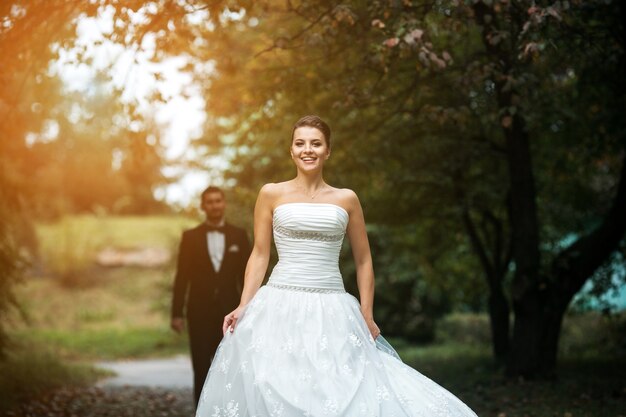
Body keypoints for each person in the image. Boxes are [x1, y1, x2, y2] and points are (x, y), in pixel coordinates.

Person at [195, 116, 479, 416]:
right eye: (300, 143)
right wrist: (243, 305)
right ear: (291, 150)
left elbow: (364, 260)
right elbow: (260, 254)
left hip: (332, 307)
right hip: (278, 304)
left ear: (327, 151)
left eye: (316, 143)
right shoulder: (270, 194)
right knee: (271, 382)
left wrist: (367, 315)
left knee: (340, 388)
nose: (308, 149)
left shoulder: (347, 199)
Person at [170, 186, 251, 407]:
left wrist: (250, 309)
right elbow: (182, 278)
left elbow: (247, 276)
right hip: (198, 312)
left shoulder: (239, 236)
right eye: (210, 202)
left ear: (224, 203)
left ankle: (228, 409)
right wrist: (177, 314)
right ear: (203, 206)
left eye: (218, 201)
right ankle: (202, 410)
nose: (214, 205)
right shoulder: (190, 237)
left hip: (230, 312)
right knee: (201, 365)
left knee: (230, 364)